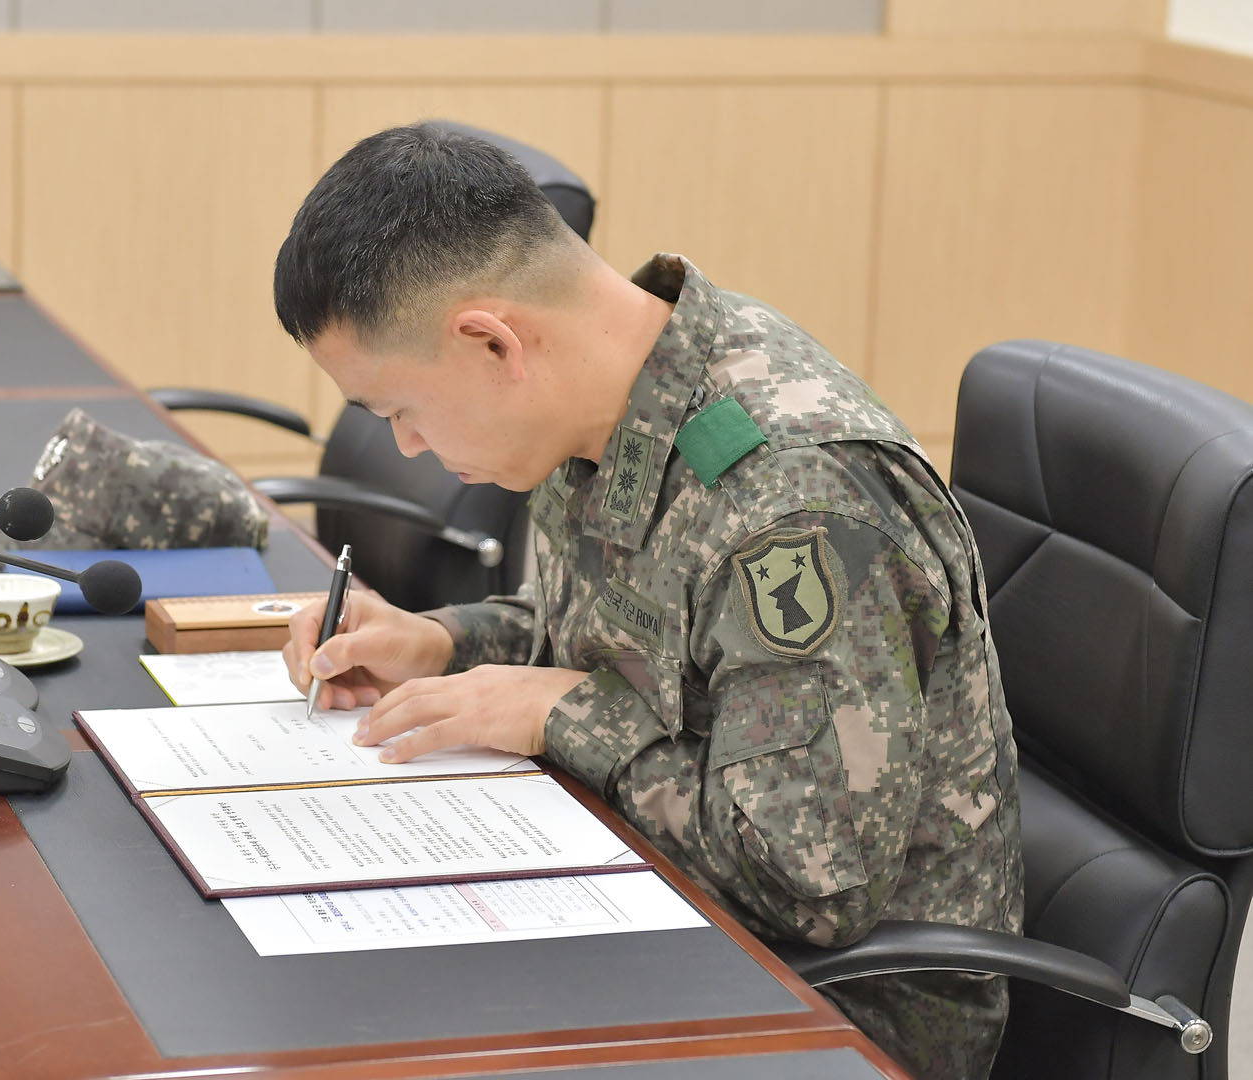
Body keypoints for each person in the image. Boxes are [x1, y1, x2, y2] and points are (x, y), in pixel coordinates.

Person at [273, 123, 1023, 1080]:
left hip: (830, 1017)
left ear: (493, 341)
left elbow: (807, 887)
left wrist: (561, 715)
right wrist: (439, 642)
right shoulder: (605, 395)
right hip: (658, 912)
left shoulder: (792, 502)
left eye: (398, 409)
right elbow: (618, 649)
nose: (407, 445)